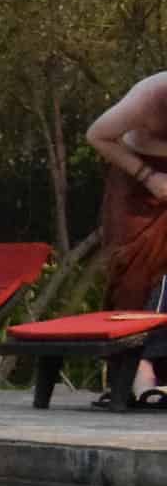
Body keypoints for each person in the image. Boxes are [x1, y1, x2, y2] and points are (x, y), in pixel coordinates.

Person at [85, 72, 167, 309]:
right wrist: (148, 177)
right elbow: (96, 135)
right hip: (138, 182)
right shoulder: (151, 94)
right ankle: (132, 342)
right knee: (133, 276)